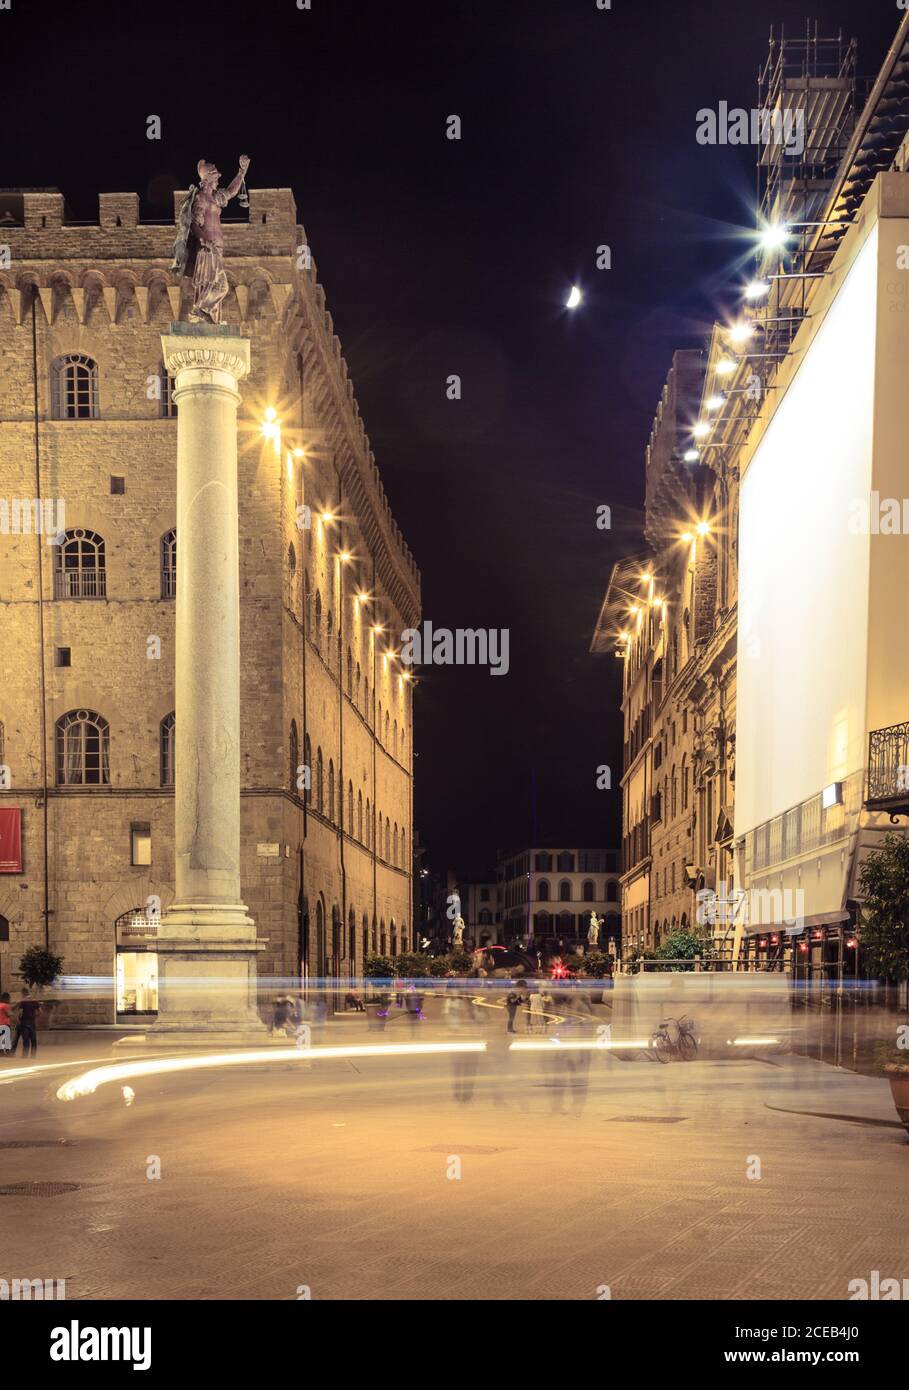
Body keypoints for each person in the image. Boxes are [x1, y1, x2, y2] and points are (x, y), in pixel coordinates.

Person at [11, 989, 41, 1057]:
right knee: (33, 1038)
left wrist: (19, 1019)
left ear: (23, 993)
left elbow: (20, 1012)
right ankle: (33, 1055)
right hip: (32, 1022)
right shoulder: (35, 1001)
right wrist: (34, 1017)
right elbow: (40, 1012)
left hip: (24, 1022)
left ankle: (25, 1054)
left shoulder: (23, 1001)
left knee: (26, 1038)